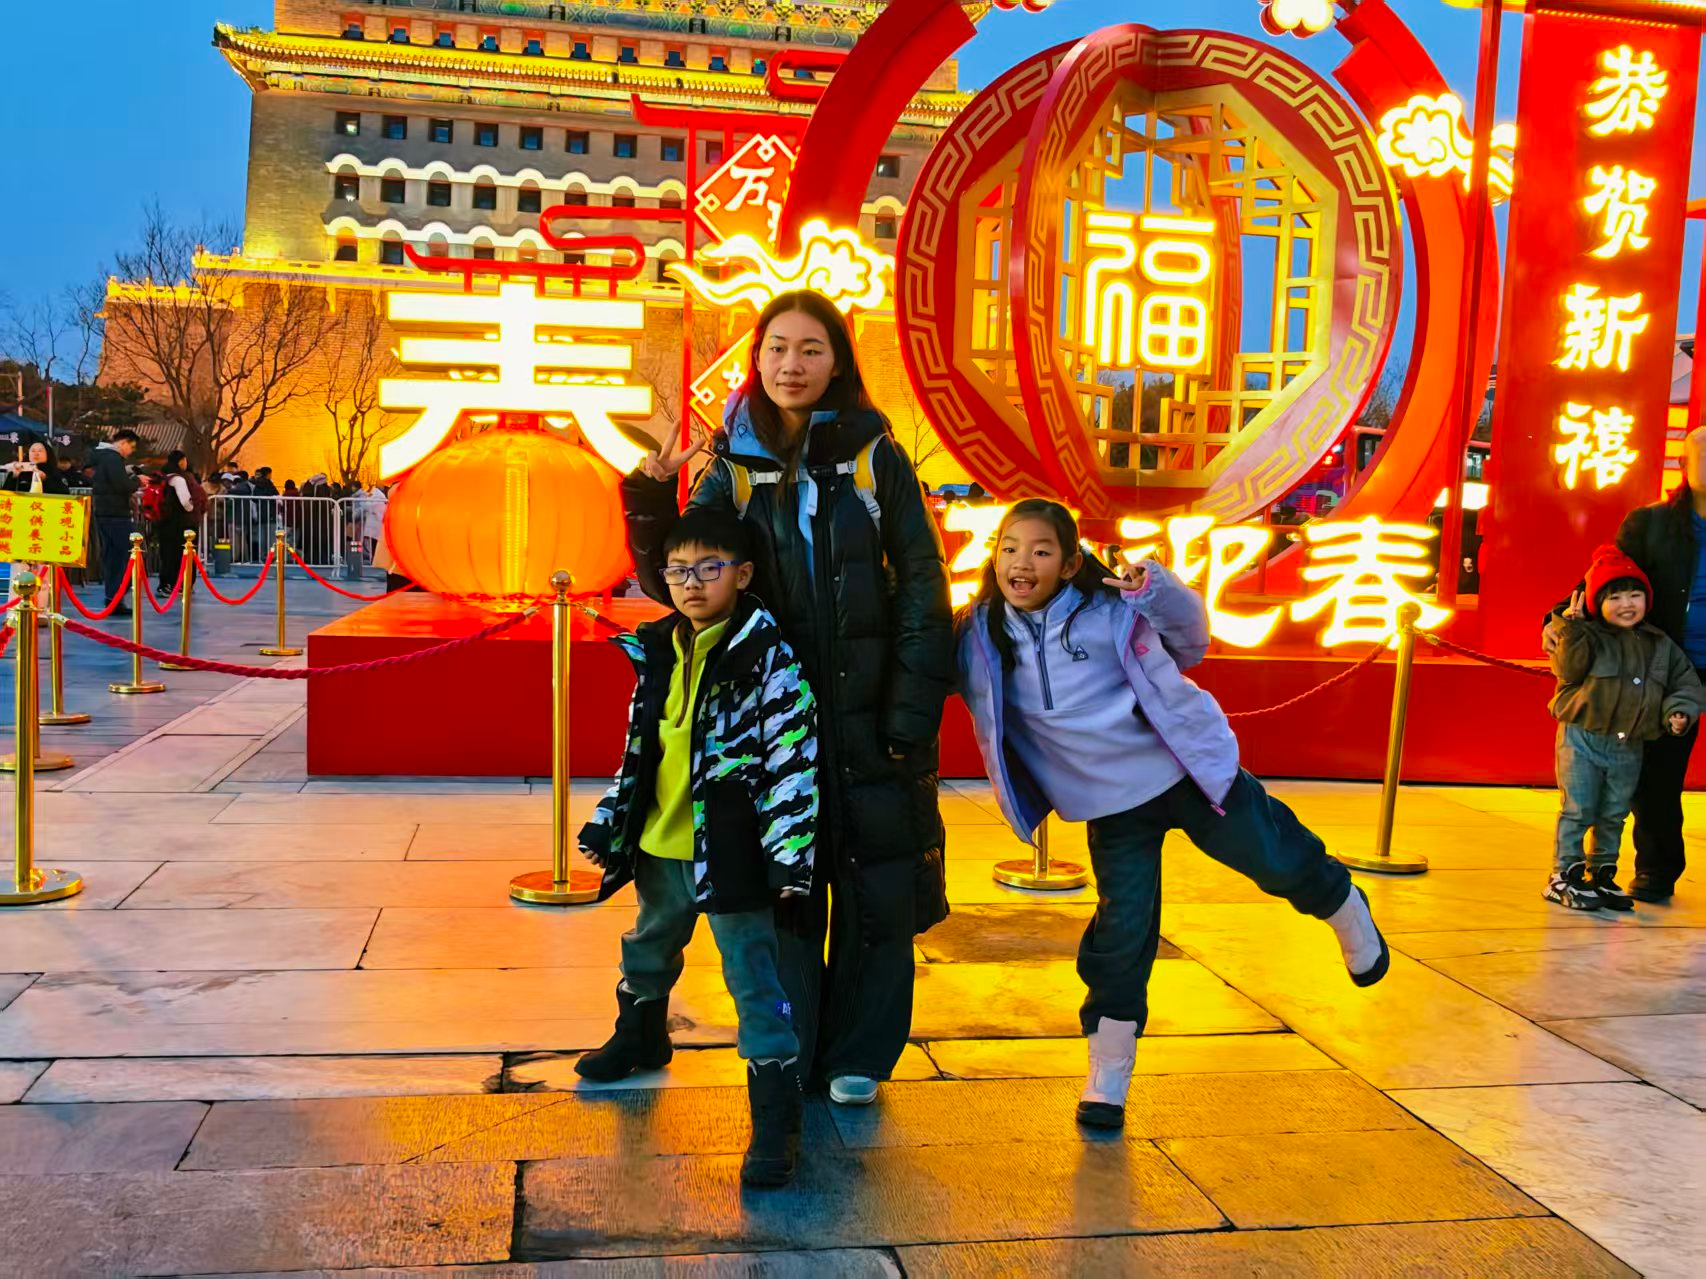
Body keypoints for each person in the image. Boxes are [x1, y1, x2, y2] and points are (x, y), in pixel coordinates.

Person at [956, 500, 1390, 1130]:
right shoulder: (978, 633)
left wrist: (1154, 590)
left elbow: (1191, 641)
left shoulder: (1110, 610)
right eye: (1009, 548)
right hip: (1109, 805)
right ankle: (1109, 1069)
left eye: (1041, 551)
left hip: (1185, 770)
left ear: (1070, 563)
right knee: (1123, 928)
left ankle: (1343, 906)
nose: (1022, 563)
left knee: (1271, 855)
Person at [621, 289, 953, 1108]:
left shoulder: (877, 456)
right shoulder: (732, 466)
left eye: (810, 349)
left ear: (837, 362)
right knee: (786, 884)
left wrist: (912, 710)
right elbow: (682, 581)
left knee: (875, 885)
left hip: (872, 712)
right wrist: (652, 501)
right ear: (757, 359)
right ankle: (794, 1045)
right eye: (776, 348)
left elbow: (922, 581)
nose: (791, 365)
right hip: (772, 720)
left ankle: (861, 1053)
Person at [576, 507, 818, 1187]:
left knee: (753, 976)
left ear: (742, 574)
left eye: (709, 568)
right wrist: (611, 820)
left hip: (733, 851)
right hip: (662, 842)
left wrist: (788, 856)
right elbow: (641, 748)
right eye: (679, 570)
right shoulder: (658, 648)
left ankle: (776, 1113)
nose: (691, 583)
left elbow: (793, 762)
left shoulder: (767, 658)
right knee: (648, 943)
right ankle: (640, 1034)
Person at [1541, 546, 1702, 912]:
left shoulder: (1660, 644)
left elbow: (1685, 683)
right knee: (1579, 809)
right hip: (1582, 739)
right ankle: (1563, 874)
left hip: (1629, 746)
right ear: (1597, 603)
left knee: (1614, 812)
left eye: (1635, 595)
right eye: (1614, 597)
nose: (1627, 604)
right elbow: (1567, 669)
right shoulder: (1587, 636)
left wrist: (1678, 711)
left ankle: (1602, 873)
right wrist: (1570, 628)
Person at [1606, 426, 1706, 902]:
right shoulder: (1650, 524)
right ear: (1683, 465)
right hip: (1673, 668)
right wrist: (1565, 614)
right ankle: (1656, 868)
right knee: (1658, 776)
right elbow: (1612, 579)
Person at [90, 429, 142, 614]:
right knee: (125, 554)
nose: (131, 451)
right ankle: (116, 594)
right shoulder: (113, 458)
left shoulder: (103, 457)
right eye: (131, 447)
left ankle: (113, 597)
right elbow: (122, 485)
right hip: (116, 513)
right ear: (124, 442)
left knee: (113, 556)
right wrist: (137, 480)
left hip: (105, 512)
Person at [155, 450, 202, 594]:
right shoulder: (179, 479)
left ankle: (165, 583)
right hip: (181, 523)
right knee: (180, 555)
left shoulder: (163, 477)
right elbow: (185, 502)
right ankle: (179, 584)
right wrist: (193, 509)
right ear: (181, 461)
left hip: (164, 521)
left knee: (167, 554)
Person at [2, 441, 71, 496]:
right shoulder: (20, 470)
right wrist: (14, 477)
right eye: (33, 451)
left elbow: (65, 493)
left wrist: (45, 479)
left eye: (40, 451)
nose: (36, 454)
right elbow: (4, 494)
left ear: (48, 454)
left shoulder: (54, 472)